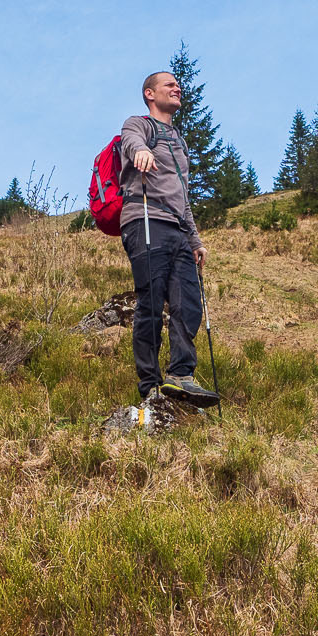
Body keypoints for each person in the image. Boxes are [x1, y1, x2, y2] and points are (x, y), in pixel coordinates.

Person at [119, 72, 219, 407]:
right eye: (169, 85)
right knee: (150, 304)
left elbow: (183, 197)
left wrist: (195, 239)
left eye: (179, 85)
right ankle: (149, 383)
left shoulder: (178, 139)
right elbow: (130, 140)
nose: (178, 88)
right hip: (146, 220)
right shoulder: (139, 125)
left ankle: (181, 375)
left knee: (188, 303)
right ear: (150, 93)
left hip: (177, 229)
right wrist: (140, 153)